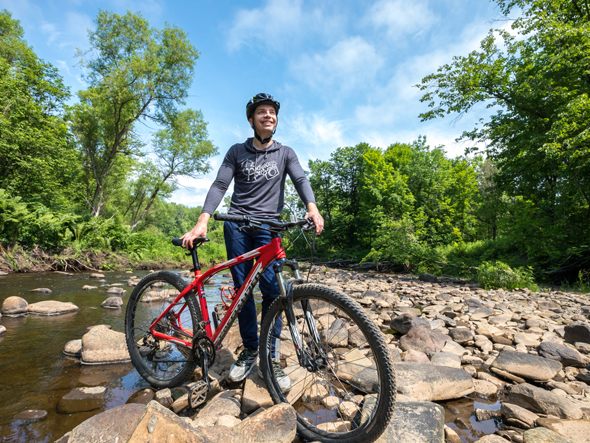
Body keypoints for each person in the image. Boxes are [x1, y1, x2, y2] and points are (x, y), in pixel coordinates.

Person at [181, 93, 324, 391]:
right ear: (251, 119)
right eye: (262, 112)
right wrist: (203, 220)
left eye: (272, 112)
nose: (268, 115)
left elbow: (300, 179)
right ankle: (249, 351)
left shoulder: (286, 153)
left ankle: (271, 357)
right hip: (237, 226)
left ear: (276, 119)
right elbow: (220, 184)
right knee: (242, 291)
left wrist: (312, 207)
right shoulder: (236, 151)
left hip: (269, 228)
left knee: (274, 292)